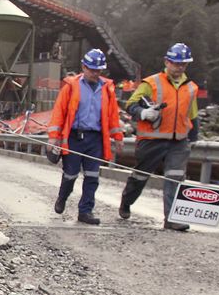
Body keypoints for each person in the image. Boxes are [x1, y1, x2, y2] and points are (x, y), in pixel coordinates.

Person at [119, 42, 199, 231]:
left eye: (183, 64)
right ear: (167, 62)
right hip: (151, 140)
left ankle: (171, 218)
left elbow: (193, 115)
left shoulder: (191, 88)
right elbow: (130, 105)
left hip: (178, 142)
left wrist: (194, 136)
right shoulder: (151, 83)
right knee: (140, 177)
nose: (179, 68)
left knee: (175, 178)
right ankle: (126, 201)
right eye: (176, 63)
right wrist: (143, 113)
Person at [47, 49, 124, 225]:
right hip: (74, 137)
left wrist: (118, 136)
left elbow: (112, 115)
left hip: (95, 139)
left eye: (98, 70)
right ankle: (62, 197)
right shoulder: (71, 86)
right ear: (83, 67)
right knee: (70, 174)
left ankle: (86, 211)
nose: (95, 74)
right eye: (92, 70)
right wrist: (53, 137)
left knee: (92, 176)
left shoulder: (107, 89)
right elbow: (59, 112)